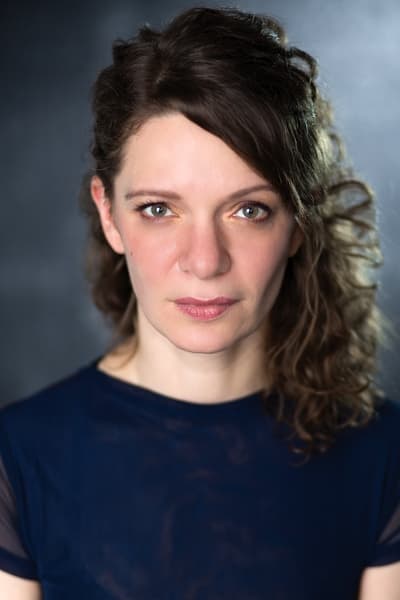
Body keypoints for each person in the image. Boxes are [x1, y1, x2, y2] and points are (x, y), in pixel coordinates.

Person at [0, 5, 399, 599]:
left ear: (297, 222)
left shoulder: (385, 455)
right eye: (159, 209)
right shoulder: (17, 460)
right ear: (109, 214)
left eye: (248, 210)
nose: (205, 260)